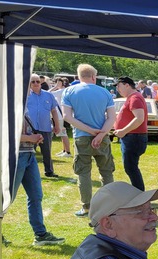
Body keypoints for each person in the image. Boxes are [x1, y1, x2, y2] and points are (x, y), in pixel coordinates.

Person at [62, 63, 116, 217]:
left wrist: (90, 131)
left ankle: (86, 206)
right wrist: (100, 134)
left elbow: (67, 117)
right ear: (93, 76)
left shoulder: (69, 91)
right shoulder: (104, 92)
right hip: (102, 137)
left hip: (81, 137)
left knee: (83, 173)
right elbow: (112, 118)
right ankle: (109, 206)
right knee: (106, 172)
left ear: (79, 76)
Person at [12, 123, 65, 246]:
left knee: (36, 196)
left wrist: (35, 137)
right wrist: (30, 138)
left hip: (29, 155)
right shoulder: (5, 111)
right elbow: (5, 133)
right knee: (7, 197)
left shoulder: (24, 111)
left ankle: (40, 234)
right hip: (15, 156)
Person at [113, 76, 148, 191]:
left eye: (119, 86)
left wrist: (123, 131)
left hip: (133, 137)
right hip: (133, 137)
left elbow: (139, 118)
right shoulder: (133, 97)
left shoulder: (135, 98)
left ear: (127, 85)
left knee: (131, 168)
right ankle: (138, 193)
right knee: (131, 167)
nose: (117, 89)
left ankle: (139, 194)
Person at [25, 73, 62, 178]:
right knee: (28, 152)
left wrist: (57, 125)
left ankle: (49, 171)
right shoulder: (26, 95)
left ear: (41, 82)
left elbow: (54, 111)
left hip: (45, 127)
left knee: (47, 151)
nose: (36, 83)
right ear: (29, 83)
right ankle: (26, 171)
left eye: (38, 81)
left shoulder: (49, 95)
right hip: (30, 129)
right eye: (33, 82)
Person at [50, 77, 72, 157]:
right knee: (62, 133)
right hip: (60, 115)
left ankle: (68, 152)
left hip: (60, 116)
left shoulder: (62, 91)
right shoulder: (61, 91)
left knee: (63, 133)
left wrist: (56, 87)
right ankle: (64, 150)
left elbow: (48, 94)